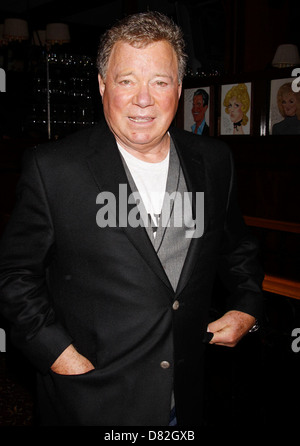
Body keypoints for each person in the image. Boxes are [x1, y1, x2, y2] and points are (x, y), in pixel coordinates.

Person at [0, 11, 263, 426]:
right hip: (92, 396)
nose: (144, 99)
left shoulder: (214, 162)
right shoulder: (53, 169)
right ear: (103, 86)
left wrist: (247, 306)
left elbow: (238, 248)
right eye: (127, 81)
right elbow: (16, 274)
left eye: (159, 81)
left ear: (178, 88)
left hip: (186, 391)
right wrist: (57, 353)